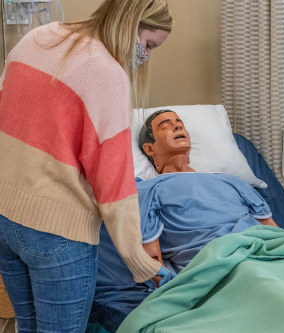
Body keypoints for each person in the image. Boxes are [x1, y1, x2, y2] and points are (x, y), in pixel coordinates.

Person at [0, 1, 173, 331]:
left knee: (27, 327)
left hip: (5, 220)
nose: (146, 57)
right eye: (149, 45)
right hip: (57, 233)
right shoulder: (107, 74)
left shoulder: (37, 37)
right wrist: (138, 259)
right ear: (132, 23)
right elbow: (114, 185)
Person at [137, 110, 278, 274]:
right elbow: (151, 259)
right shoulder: (149, 189)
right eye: (166, 126)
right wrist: (169, 285)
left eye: (180, 124)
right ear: (149, 148)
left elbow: (273, 231)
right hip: (218, 265)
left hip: (262, 251)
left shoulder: (230, 180)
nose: (177, 127)